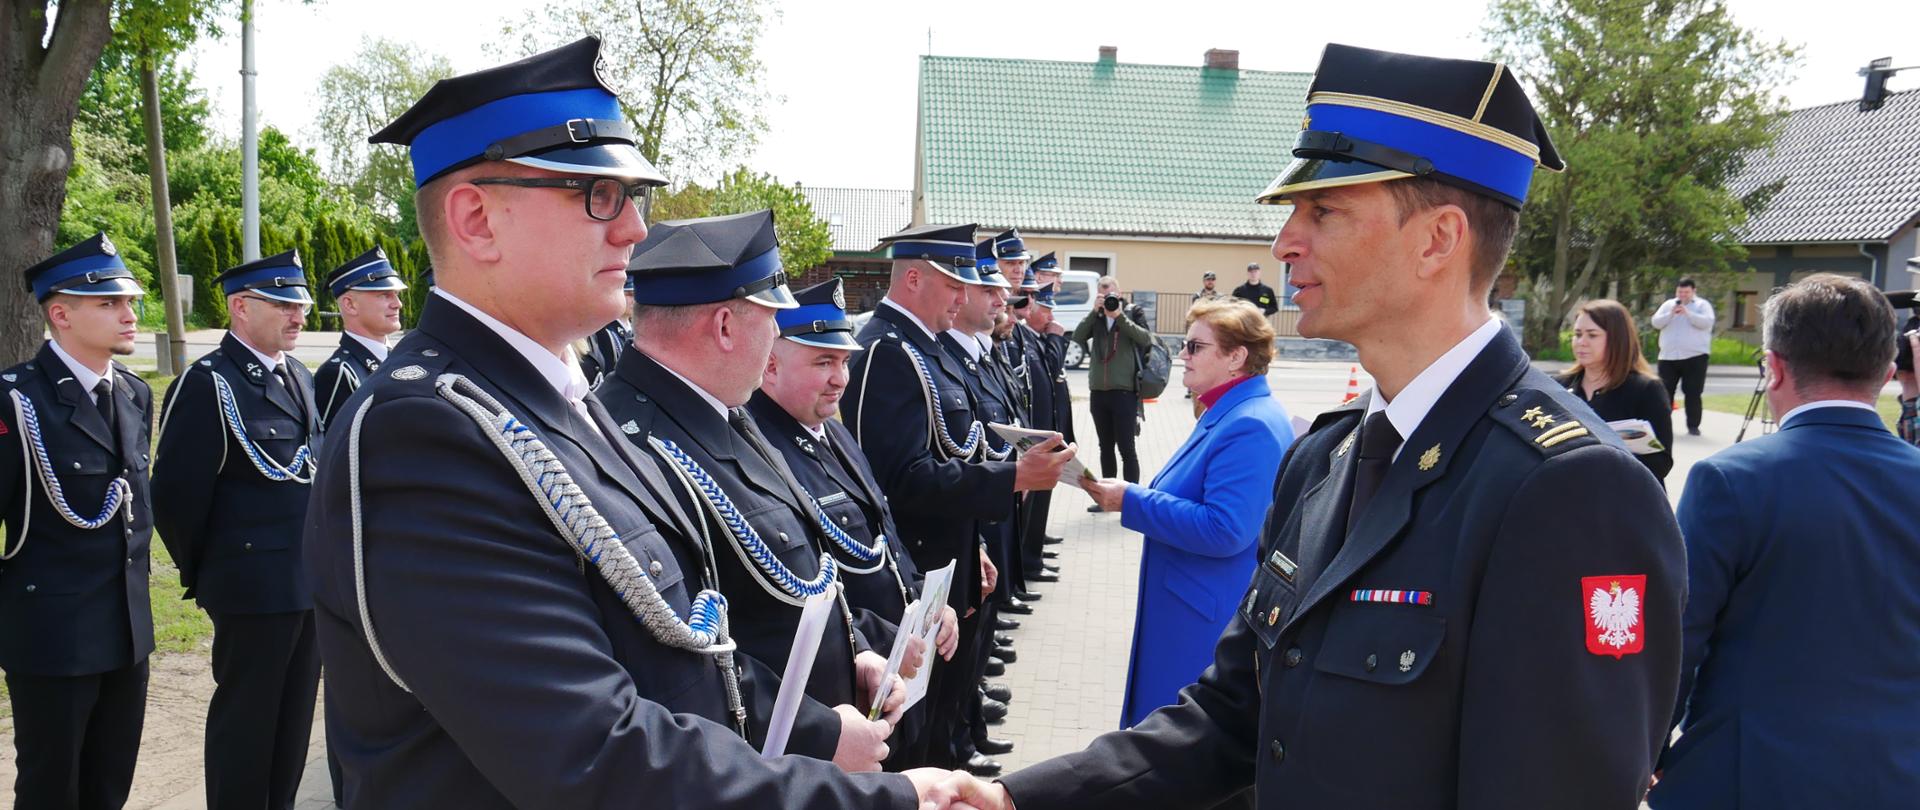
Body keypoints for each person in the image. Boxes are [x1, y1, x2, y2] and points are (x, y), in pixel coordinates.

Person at [919, 42, 1685, 810]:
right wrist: (1018, 800)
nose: (1285, 242)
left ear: (1438, 241)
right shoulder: (1327, 452)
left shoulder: (1569, 489)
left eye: (1323, 211)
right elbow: (1235, 715)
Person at [301, 37, 942, 807]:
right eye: (598, 195)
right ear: (475, 219)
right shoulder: (426, 434)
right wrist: (883, 799)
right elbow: (592, 754)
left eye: (633, 198)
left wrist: (809, 730)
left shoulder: (556, 396)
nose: (636, 230)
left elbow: (680, 644)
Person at [598, 210, 905, 773]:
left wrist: (857, 649)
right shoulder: (631, 445)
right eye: (772, 321)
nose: (775, 343)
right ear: (723, 326)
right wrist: (823, 734)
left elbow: (800, 580)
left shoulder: (723, 416)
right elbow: (687, 657)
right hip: (763, 768)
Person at [1651, 274, 1920, 808]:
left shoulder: (1730, 480)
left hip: (1750, 774)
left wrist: (1647, 749)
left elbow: (1677, 637)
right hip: (1898, 773)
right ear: (1887, 375)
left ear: (1772, 367)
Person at [842, 223, 1074, 775]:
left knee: (938, 725)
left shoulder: (926, 348)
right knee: (912, 743)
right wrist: (1012, 476)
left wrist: (975, 548)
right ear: (916, 278)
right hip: (915, 574)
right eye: (954, 284)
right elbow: (899, 480)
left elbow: (951, 451)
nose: (964, 295)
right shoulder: (889, 351)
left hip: (948, 565)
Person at [745, 277, 963, 769]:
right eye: (823, 362)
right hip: (849, 691)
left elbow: (884, 534)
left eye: (843, 362)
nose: (840, 379)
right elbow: (803, 592)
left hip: (894, 675)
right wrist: (886, 639)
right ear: (771, 364)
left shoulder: (833, 435)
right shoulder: (760, 450)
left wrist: (929, 605)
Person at [154, 249, 322, 810]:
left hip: (305, 582)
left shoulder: (298, 374)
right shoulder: (208, 383)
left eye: (301, 304)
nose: (298, 316)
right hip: (250, 586)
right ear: (240, 307)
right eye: (283, 304)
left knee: (294, 724)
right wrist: (212, 574)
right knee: (246, 724)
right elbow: (176, 498)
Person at [1079, 298, 1294, 728]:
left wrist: (1131, 500)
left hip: (1205, 624)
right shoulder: (1228, 411)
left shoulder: (1249, 423)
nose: (1181, 356)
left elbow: (1226, 529)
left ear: (1236, 357)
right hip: (1191, 609)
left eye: (1195, 347)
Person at [1, 234, 153, 810]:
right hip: (52, 636)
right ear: (60, 314)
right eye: (109, 304)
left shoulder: (135, 395)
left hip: (127, 629)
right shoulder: (17, 400)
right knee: (50, 787)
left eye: (129, 302)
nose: (129, 315)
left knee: (110, 783)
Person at [1556, 299, 1674, 482]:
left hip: (1624, 499)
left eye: (1592, 335)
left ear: (1617, 339)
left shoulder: (1646, 389)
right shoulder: (1558, 386)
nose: (1581, 342)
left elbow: (1661, 463)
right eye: (1577, 334)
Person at [1072, 276, 1153, 494]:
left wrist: (1119, 316)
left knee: (1127, 448)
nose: (1106, 295)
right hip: (1099, 393)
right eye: (1101, 291)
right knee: (1105, 447)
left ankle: (1132, 498)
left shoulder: (1133, 312)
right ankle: (1107, 495)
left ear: (1118, 291)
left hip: (1124, 392)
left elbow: (1146, 339)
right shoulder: (1097, 317)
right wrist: (1093, 312)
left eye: (1108, 291)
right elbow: (1078, 337)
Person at [313, 246, 407, 430]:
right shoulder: (340, 373)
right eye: (384, 295)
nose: (398, 304)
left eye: (396, 295)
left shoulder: (400, 359)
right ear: (350, 305)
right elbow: (331, 451)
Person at [1651, 278, 1716, 436]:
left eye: (1686, 292)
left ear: (1693, 291)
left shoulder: (1702, 305)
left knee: (1693, 392)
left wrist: (1688, 313)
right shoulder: (1669, 305)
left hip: (1695, 356)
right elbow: (1656, 322)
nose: (1683, 295)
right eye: (1680, 292)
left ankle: (1693, 426)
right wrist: (1671, 314)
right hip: (1668, 356)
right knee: (1665, 392)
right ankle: (1662, 424)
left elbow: (1707, 323)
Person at [578, 275, 634, 388]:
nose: (634, 300)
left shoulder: (633, 328)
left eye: (635, 294)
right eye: (629, 294)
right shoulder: (605, 330)